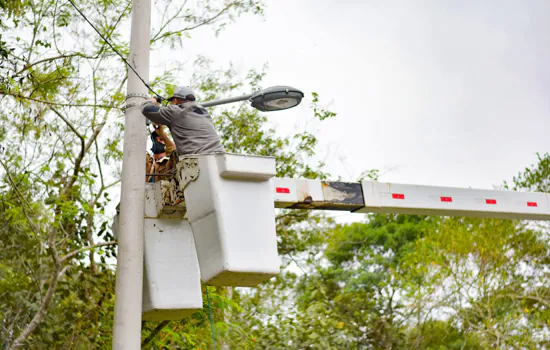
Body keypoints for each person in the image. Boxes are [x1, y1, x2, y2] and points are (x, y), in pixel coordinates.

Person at [140, 86, 225, 157]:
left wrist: (152, 100)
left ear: (176, 100)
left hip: (199, 161)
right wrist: (162, 133)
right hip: (221, 158)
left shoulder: (176, 110)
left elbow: (147, 109)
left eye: (172, 101)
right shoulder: (204, 113)